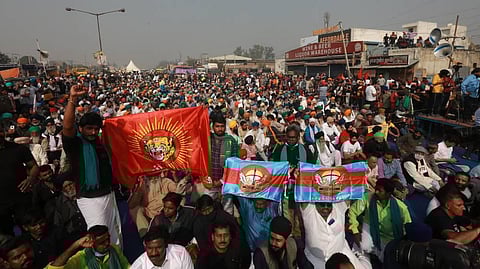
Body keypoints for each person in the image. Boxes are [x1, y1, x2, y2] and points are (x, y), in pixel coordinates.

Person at [62, 85, 122, 247]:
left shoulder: (101, 144)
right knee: (99, 239)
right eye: (89, 128)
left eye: (96, 129)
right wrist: (72, 100)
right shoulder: (75, 145)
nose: (93, 132)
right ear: (80, 129)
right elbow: (67, 127)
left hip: (108, 195)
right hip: (90, 200)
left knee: (115, 237)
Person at [349, 178, 412, 261]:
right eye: (376, 189)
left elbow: (408, 227)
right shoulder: (368, 197)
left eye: (380, 191)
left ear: (388, 194)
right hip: (371, 227)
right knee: (364, 246)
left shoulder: (401, 208)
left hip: (389, 237)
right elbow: (352, 212)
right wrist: (355, 231)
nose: (376, 192)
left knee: (388, 258)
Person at [300, 202, 371, 269]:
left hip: (342, 255)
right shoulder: (309, 210)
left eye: (328, 205)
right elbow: (302, 190)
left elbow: (349, 190)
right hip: (315, 259)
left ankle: (360, 255)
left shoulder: (338, 207)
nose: (325, 207)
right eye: (321, 204)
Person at [0, 120, 39, 235]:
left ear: (5, 132)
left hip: (21, 197)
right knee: (7, 234)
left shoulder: (19, 149)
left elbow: (34, 167)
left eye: (0, 131)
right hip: (1, 203)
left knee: (29, 230)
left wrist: (30, 179)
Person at [52, 173, 88, 242]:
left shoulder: (84, 194)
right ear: (62, 190)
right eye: (65, 186)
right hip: (72, 236)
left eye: (70, 184)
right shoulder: (60, 203)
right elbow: (57, 223)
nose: (69, 188)